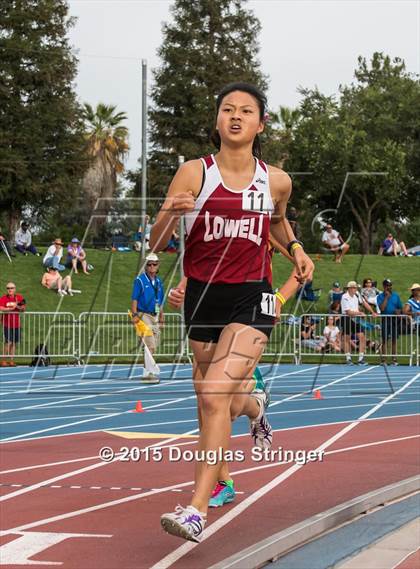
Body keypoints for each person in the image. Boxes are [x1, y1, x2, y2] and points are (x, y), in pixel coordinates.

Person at [150, 82, 314, 542]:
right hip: (203, 295)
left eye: (246, 111)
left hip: (253, 295)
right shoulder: (192, 173)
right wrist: (170, 212)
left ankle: (198, 509)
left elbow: (277, 219)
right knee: (213, 397)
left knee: (213, 393)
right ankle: (256, 405)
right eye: (227, 109)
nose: (235, 116)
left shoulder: (275, 179)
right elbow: (156, 243)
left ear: (261, 124)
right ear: (217, 121)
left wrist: (296, 247)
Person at [130, 252, 165, 382]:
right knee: (149, 344)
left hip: (154, 315)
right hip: (143, 314)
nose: (151, 267)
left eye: (154, 264)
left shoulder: (159, 282)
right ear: (146, 266)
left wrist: (162, 317)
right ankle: (147, 372)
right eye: (149, 264)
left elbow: (160, 301)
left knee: (153, 345)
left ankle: (147, 371)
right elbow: (134, 298)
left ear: (157, 265)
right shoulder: (140, 280)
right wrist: (134, 315)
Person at [340, 281, 377, 365]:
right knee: (347, 338)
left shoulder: (357, 294)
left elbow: (364, 303)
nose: (355, 289)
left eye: (355, 287)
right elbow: (348, 312)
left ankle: (361, 358)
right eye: (353, 287)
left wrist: (372, 312)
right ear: (348, 288)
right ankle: (348, 358)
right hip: (347, 318)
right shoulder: (344, 297)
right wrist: (360, 313)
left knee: (362, 337)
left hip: (356, 319)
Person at [377, 279, 403, 365]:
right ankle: (384, 360)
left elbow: (400, 308)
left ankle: (394, 359)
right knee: (384, 340)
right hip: (385, 319)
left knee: (394, 340)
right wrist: (386, 297)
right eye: (387, 285)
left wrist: (398, 311)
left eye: (390, 285)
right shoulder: (380, 296)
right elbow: (382, 308)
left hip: (394, 320)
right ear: (384, 286)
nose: (389, 287)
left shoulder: (396, 296)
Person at [0, 282, 26, 367]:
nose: (10, 289)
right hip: (7, 323)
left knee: (14, 343)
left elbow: (23, 309)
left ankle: (11, 360)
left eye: (11, 288)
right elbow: (1, 308)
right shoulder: (3, 298)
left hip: (16, 324)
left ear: (15, 289)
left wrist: (17, 306)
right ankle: (3, 360)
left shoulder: (19, 297)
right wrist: (11, 308)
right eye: (8, 288)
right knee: (8, 342)